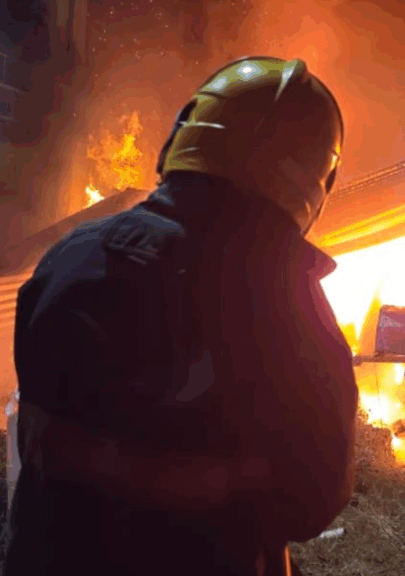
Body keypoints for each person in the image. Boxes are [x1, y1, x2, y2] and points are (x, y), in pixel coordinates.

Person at [3, 57, 357, 576]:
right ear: (316, 181)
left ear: (183, 136)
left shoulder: (69, 259)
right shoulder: (297, 315)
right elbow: (311, 504)